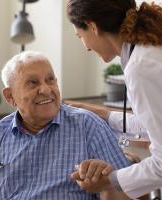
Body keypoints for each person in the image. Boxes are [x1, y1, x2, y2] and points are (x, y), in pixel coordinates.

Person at [0, 51, 131, 200]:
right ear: (10, 97)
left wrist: (107, 181)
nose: (45, 89)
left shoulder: (88, 126)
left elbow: (127, 192)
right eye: (33, 83)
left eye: (50, 80)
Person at [66, 0, 162, 199]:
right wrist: (105, 115)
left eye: (80, 36)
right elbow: (155, 123)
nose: (85, 47)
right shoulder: (147, 50)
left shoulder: (142, 66)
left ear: (92, 27)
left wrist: (111, 181)